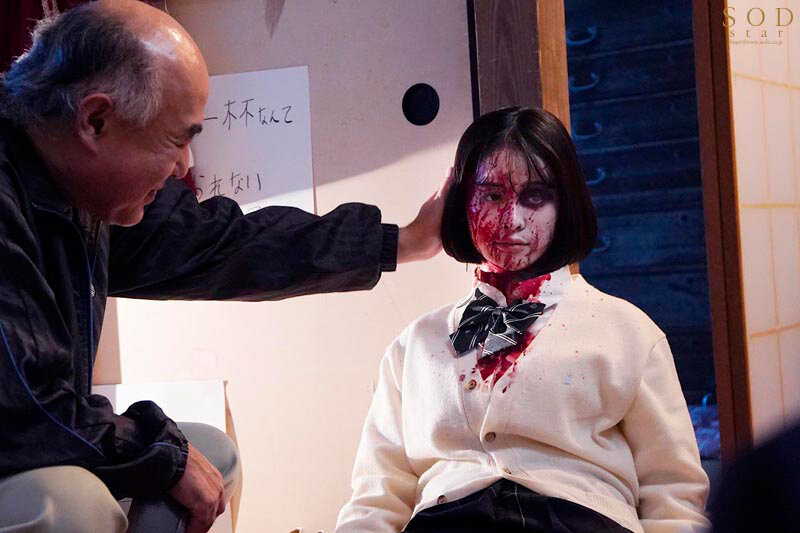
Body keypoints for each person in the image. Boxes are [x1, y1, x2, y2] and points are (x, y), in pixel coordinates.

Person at [0, 2, 449, 532]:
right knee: (70, 505)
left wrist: (405, 241)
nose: (185, 167)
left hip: (37, 431)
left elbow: (227, 244)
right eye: (177, 140)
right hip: (23, 438)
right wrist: (164, 454)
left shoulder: (80, 193)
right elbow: (27, 413)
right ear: (96, 120)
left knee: (212, 455)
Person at [336, 107, 711, 533]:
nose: (511, 220)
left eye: (535, 197)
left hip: (582, 518)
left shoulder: (628, 332)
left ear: (565, 204)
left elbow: (674, 492)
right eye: (492, 195)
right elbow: (376, 495)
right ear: (460, 202)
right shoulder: (414, 344)